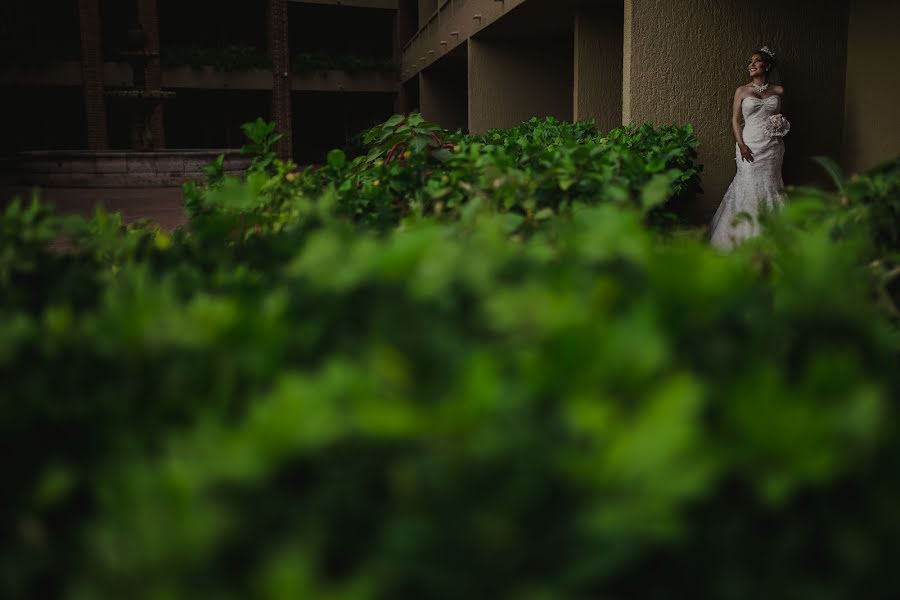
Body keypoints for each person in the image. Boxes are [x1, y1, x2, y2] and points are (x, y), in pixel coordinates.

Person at [709, 46, 788, 250]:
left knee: (771, 187)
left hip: (772, 148)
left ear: (767, 66)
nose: (751, 64)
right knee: (749, 187)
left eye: (757, 61)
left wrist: (778, 124)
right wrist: (742, 145)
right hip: (750, 146)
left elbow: (777, 118)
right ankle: (743, 238)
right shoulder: (742, 91)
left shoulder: (778, 91)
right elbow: (735, 120)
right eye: (750, 61)